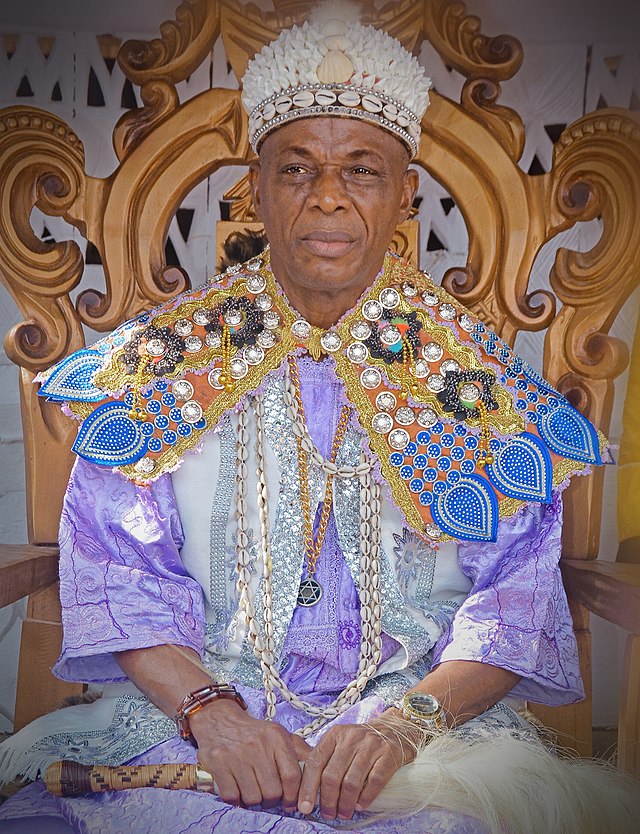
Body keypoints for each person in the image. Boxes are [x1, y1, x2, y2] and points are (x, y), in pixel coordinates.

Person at [0, 3, 637, 833]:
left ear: (405, 194)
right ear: (256, 190)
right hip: (193, 728)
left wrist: (408, 725)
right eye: (296, 169)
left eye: (362, 171)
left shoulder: (476, 385)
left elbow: (513, 599)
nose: (328, 198)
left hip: (424, 746)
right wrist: (213, 713)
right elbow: (119, 573)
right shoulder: (159, 369)